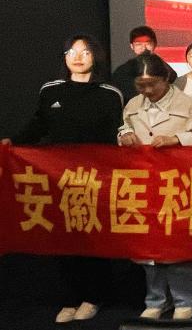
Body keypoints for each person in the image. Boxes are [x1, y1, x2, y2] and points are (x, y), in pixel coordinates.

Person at [2, 35, 123, 323]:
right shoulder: (50, 90)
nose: (77, 57)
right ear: (65, 57)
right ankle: (70, 297)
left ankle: (94, 297)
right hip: (59, 178)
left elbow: (117, 133)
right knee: (64, 238)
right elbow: (38, 125)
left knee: (93, 239)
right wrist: (13, 142)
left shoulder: (109, 93)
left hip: (96, 179)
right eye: (72, 52)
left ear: (96, 56)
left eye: (85, 52)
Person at [117, 52, 192, 320]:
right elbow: (122, 128)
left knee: (178, 245)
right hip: (144, 183)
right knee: (148, 245)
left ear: (165, 79)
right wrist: (124, 134)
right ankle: (156, 300)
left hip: (178, 183)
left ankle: (184, 300)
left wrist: (177, 139)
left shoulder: (186, 103)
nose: (147, 90)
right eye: (141, 85)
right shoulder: (133, 104)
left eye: (152, 84)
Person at [111, 26, 176, 102]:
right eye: (139, 44)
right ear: (132, 46)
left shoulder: (168, 71)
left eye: (148, 44)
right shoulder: (122, 72)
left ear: (155, 44)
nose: (144, 48)